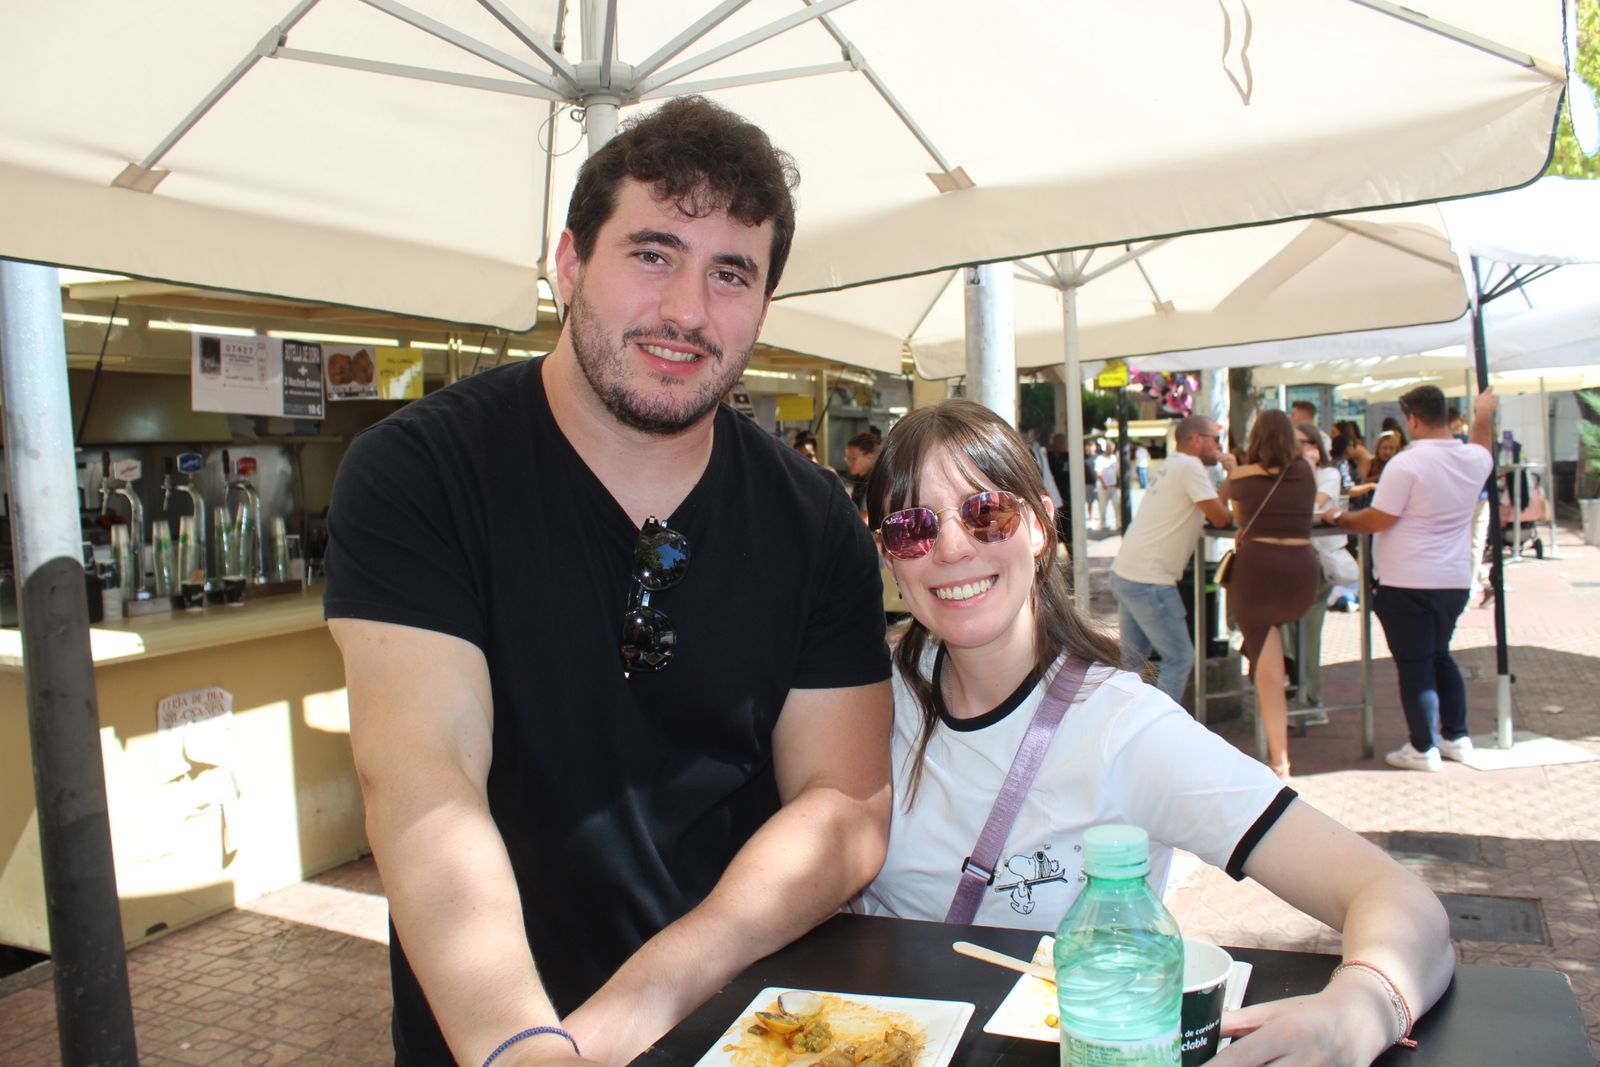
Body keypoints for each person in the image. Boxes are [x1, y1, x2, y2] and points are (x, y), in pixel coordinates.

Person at [323, 97, 894, 1067]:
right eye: (652, 253)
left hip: (747, 1028)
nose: (685, 310)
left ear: (761, 302)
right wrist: (518, 1042)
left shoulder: (815, 521)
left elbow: (844, 804)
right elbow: (423, 770)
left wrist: (645, 998)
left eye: (730, 273)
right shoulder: (421, 473)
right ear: (568, 262)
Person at [855, 399, 1453, 1066]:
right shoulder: (864, 700)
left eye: (986, 511)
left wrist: (1360, 1007)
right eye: (912, 527)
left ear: (1042, 527)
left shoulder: (1121, 729)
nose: (952, 548)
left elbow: (1399, 899)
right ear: (888, 553)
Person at [1323, 386, 1497, 772]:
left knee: (1416, 664)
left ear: (1412, 419)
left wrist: (1339, 518)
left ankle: (1423, 747)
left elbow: (1378, 519)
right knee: (1440, 657)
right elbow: (1484, 447)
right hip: (1452, 579)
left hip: (1406, 580)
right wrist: (1483, 413)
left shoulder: (1407, 463)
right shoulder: (1471, 458)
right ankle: (1456, 736)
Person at [1219, 411, 1319, 779]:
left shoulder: (1242, 476)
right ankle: (1302, 686)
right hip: (1301, 575)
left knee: (1267, 669)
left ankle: (1280, 761)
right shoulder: (1307, 470)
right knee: (1280, 639)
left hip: (1257, 574)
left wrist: (1232, 467)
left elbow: (1226, 510)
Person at [1109, 415, 1234, 702]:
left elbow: (1214, 508)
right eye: (1216, 439)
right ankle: (1163, 731)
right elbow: (1220, 516)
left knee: (1131, 663)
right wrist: (1234, 474)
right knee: (1179, 658)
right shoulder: (1190, 467)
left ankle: (1123, 723)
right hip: (1150, 581)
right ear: (1198, 439)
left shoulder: (1175, 464)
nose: (1219, 446)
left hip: (1128, 573)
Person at [844, 429, 881, 518]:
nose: (849, 463)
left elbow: (866, 517)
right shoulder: (860, 479)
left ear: (869, 457)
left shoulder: (873, 483)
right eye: (847, 458)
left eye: (853, 459)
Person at [1093, 438, 1119, 531]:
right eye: (1110, 448)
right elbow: (1098, 473)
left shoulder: (1114, 458)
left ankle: (1119, 523)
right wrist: (1103, 483)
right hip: (1103, 487)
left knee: (1117, 505)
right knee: (1103, 507)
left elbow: (1116, 471)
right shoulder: (1100, 458)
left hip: (1113, 485)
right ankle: (1102, 524)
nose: (1112, 450)